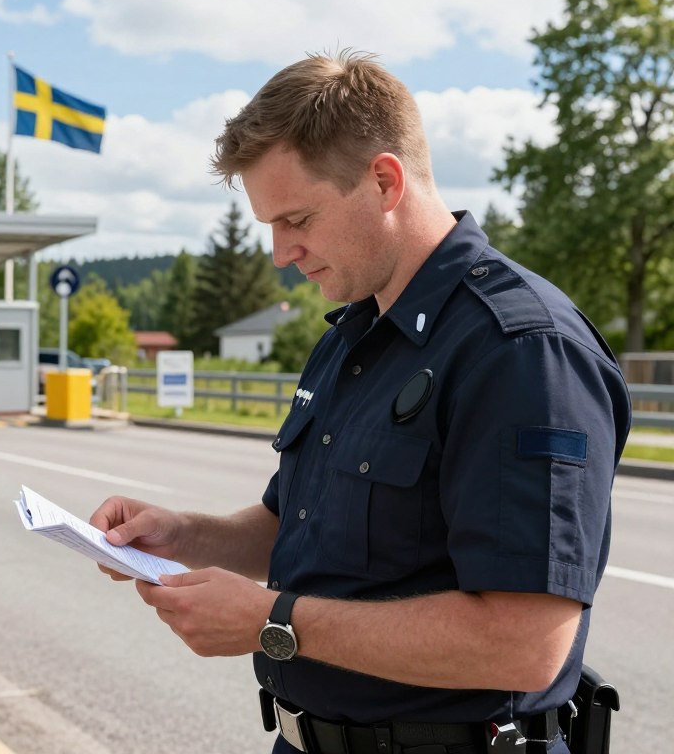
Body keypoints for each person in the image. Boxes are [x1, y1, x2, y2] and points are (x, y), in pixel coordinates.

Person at [90, 51, 630, 754]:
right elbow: (299, 527)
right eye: (270, 226)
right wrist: (181, 534)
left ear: (383, 180)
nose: (282, 252)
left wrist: (270, 620)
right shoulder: (356, 332)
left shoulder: (520, 352)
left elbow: (523, 643)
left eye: (297, 218)